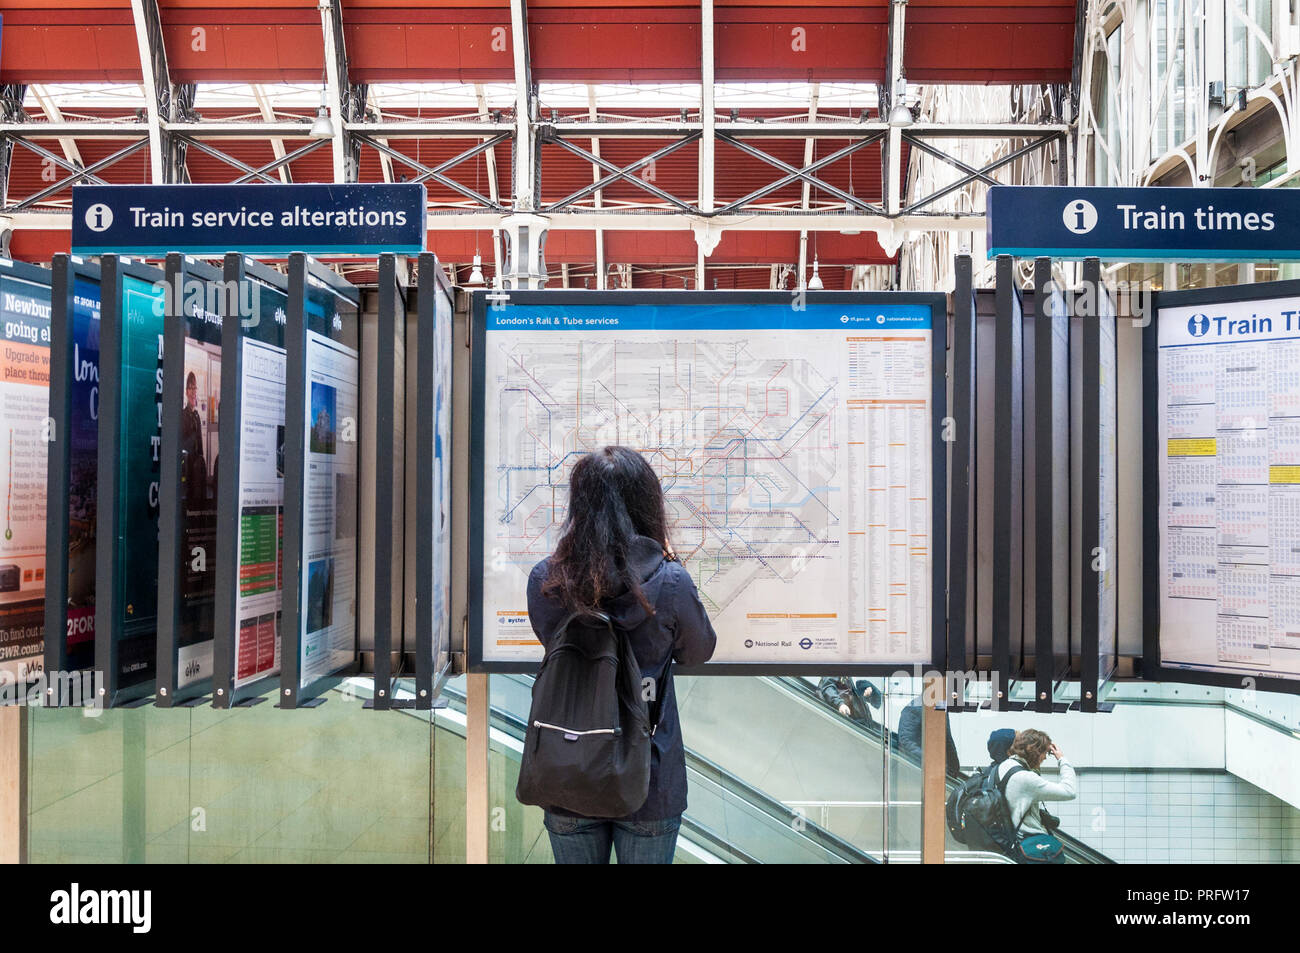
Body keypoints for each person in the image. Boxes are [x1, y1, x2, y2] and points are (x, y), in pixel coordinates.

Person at [526, 446, 717, 864]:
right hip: (649, 774)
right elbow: (697, 651)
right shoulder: (670, 582)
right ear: (648, 504)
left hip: (567, 766)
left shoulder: (547, 579)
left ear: (579, 504)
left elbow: (552, 643)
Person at [997, 728, 1076, 862]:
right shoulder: (1026, 779)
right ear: (1036, 752)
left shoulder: (1004, 766)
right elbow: (1069, 791)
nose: (1045, 757)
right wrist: (1062, 759)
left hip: (1012, 840)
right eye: (1045, 753)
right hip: (1031, 847)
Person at [896, 693, 962, 778]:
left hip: (941, 768)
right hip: (924, 770)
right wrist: (930, 760)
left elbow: (947, 739)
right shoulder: (913, 708)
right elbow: (905, 741)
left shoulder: (940, 706)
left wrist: (954, 767)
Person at [179, 371, 207, 506]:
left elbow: (199, 445)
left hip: (197, 468)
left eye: (194, 387)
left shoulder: (196, 416)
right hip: (188, 468)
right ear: (186, 391)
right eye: (190, 388)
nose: (193, 391)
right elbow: (184, 444)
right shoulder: (183, 415)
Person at [817, 676, 881, 729]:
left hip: (863, 727)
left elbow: (878, 702)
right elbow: (828, 688)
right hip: (851, 725)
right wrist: (840, 704)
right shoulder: (834, 669)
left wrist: (870, 688)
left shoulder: (850, 680)